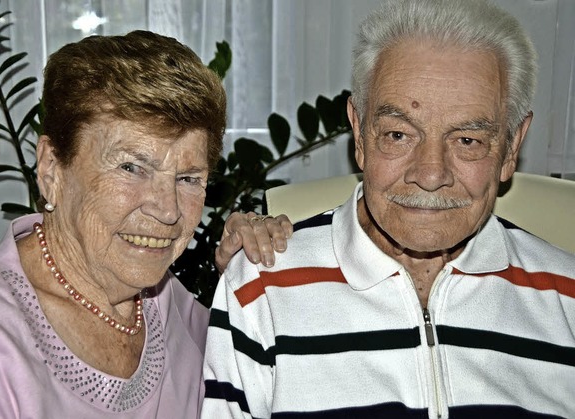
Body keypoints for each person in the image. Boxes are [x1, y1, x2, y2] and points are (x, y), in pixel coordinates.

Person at [201, 0, 575, 417]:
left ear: (511, 147)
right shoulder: (259, 291)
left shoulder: (568, 299)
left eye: (467, 140)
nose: (430, 174)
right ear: (359, 133)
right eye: (399, 134)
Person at [0, 30, 292, 418]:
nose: (169, 210)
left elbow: (284, 384)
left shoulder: (169, 304)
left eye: (188, 178)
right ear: (51, 169)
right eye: (131, 167)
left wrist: (248, 278)